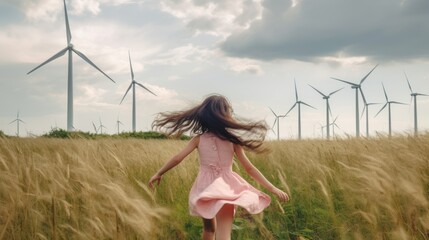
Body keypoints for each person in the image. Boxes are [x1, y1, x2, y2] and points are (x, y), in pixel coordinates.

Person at [148, 94, 289, 240]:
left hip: (205, 188)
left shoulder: (198, 139)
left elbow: (178, 158)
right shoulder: (232, 140)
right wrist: (272, 188)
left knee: (209, 229)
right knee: (224, 233)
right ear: (225, 115)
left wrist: (159, 172)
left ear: (203, 115)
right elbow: (249, 168)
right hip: (228, 188)